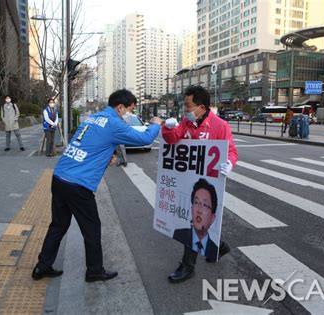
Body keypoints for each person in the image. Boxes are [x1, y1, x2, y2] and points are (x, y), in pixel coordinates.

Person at [32, 89, 163, 282]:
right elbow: (144, 139)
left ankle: (42, 267)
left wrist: (105, 155)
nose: (129, 114)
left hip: (60, 176)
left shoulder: (93, 118)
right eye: (129, 110)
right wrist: (155, 124)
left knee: (58, 225)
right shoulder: (114, 122)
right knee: (92, 228)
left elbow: (86, 143)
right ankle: (94, 270)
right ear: (120, 107)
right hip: (78, 184)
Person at [162, 85, 238, 284]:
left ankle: (188, 266)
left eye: (188, 106)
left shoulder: (220, 125)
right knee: (191, 218)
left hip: (208, 184)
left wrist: (229, 163)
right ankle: (219, 247)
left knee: (194, 222)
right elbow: (170, 140)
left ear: (202, 107)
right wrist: (168, 127)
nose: (185, 109)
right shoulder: (185, 123)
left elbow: (231, 150)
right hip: (187, 179)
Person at [172, 178, 219, 261]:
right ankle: (188, 265)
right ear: (191, 208)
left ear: (212, 218)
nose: (199, 210)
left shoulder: (214, 247)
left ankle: (222, 248)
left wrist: (230, 164)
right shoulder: (178, 233)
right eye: (196, 202)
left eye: (205, 205)